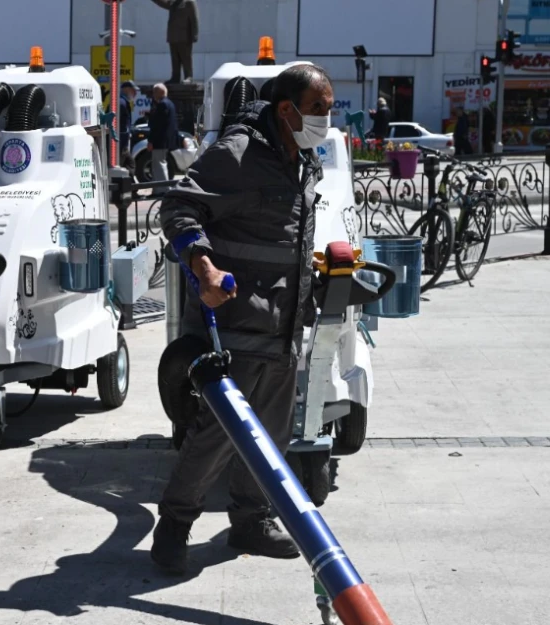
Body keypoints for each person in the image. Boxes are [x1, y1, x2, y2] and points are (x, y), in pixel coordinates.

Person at [151, 64, 334, 573]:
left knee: (271, 437)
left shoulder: (302, 159)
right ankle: (174, 525)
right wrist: (204, 266)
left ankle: (250, 521)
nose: (326, 117)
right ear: (286, 109)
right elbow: (179, 207)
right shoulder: (239, 153)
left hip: (282, 324)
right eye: (318, 107)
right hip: (233, 324)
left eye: (328, 107)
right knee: (215, 436)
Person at [151, 0, 199, 84]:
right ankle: (175, 77)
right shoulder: (173, 2)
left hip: (185, 36)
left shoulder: (189, 2)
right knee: (175, 59)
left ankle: (188, 76)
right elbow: (163, 3)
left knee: (186, 58)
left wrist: (195, 35)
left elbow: (194, 19)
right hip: (173, 36)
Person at [147, 83, 179, 183]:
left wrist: (151, 141)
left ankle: (162, 189)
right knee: (160, 163)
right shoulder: (170, 104)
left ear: (159, 92)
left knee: (159, 164)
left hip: (159, 141)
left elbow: (157, 125)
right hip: (165, 141)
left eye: (154, 92)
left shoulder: (162, 104)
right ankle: (160, 188)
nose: (153, 95)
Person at [119, 81, 138, 161]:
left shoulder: (124, 102)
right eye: (133, 90)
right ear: (127, 90)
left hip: (123, 140)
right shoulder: (121, 103)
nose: (135, 93)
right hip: (120, 142)